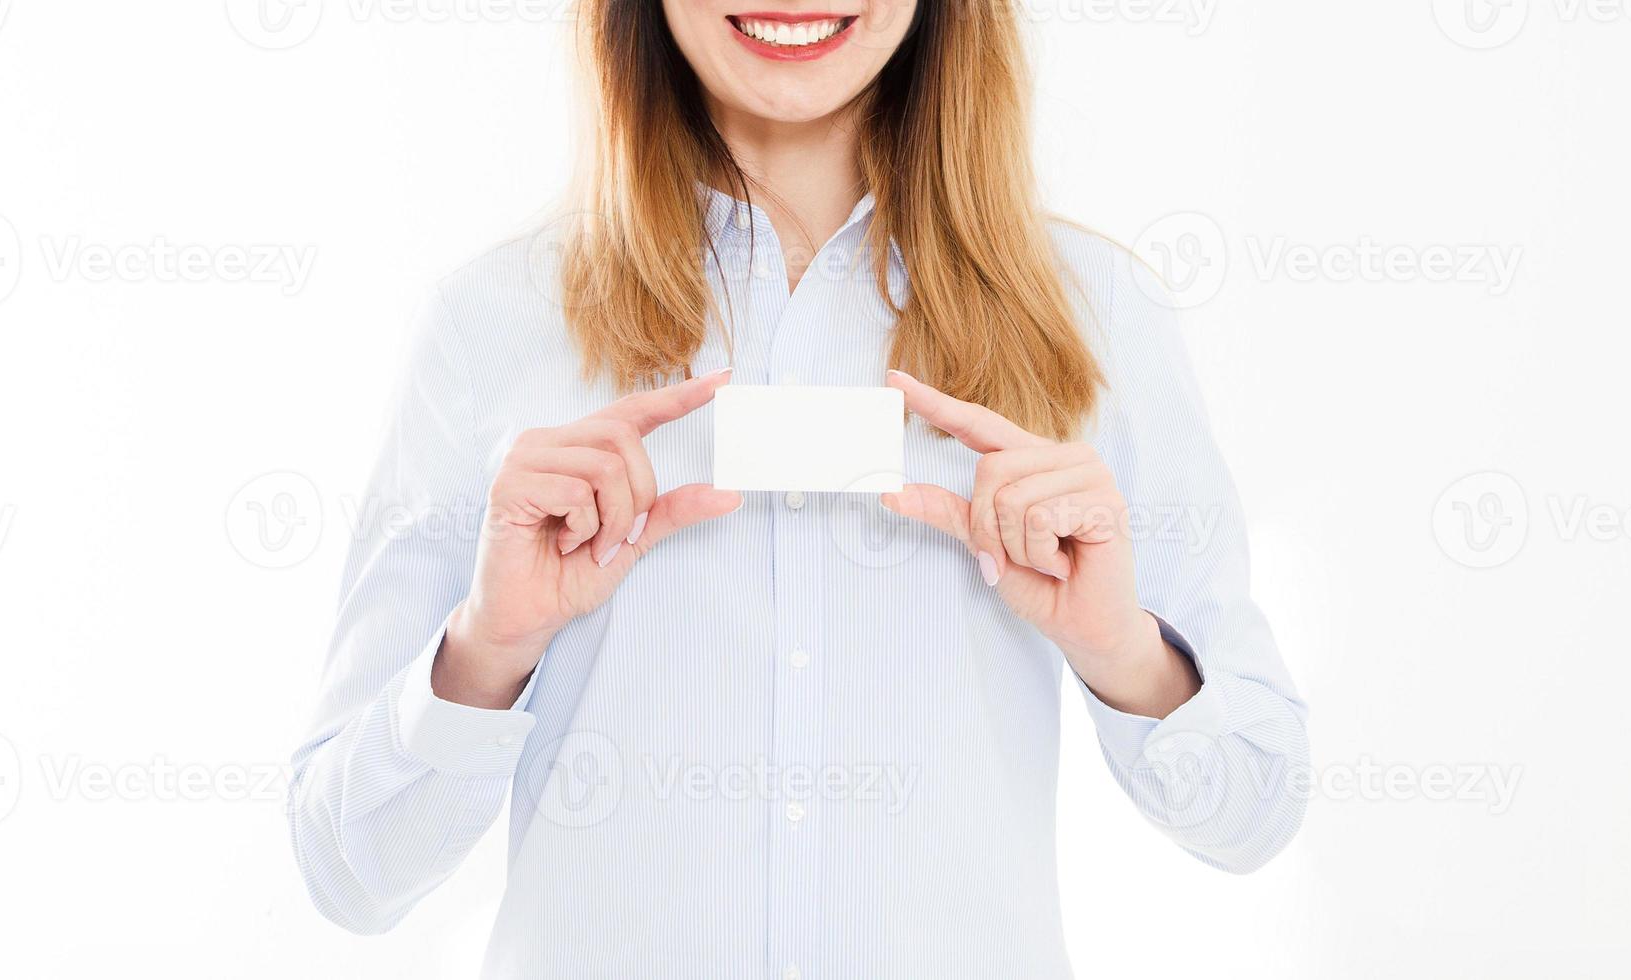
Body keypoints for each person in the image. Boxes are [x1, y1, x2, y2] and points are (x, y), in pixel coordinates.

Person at [288, 1, 1308, 975]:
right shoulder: (492, 324)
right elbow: (348, 868)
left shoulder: (1094, 313)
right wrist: (487, 648)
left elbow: (1255, 807)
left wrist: (1124, 651)